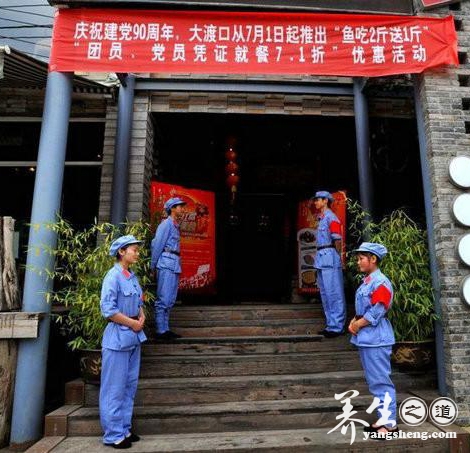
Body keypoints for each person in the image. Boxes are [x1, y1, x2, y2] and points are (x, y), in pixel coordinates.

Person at [99, 235, 147, 449]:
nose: (137, 253)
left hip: (133, 337)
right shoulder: (113, 276)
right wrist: (133, 323)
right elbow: (108, 310)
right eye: (134, 250)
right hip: (118, 338)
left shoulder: (132, 276)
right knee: (114, 389)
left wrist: (142, 317)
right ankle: (113, 435)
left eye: (137, 250)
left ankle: (124, 429)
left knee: (129, 386)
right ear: (121, 252)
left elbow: (139, 301)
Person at [348, 242, 398, 439]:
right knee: (375, 381)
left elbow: (377, 310)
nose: (358, 262)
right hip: (368, 338)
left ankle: (390, 424)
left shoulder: (381, 282)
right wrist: (354, 321)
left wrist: (358, 324)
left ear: (373, 259)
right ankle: (383, 418)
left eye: (361, 258)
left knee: (381, 382)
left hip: (376, 337)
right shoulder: (368, 281)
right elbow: (365, 309)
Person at [151, 196, 186, 341]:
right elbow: (157, 245)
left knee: (170, 299)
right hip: (166, 263)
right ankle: (160, 331)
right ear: (172, 208)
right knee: (163, 298)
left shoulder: (174, 225)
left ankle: (165, 329)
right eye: (180, 206)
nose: (182, 209)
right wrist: (152, 265)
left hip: (173, 263)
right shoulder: (166, 224)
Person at [312, 190, 346, 338]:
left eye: (318, 200)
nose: (315, 202)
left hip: (330, 256)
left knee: (335, 293)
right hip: (321, 257)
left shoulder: (332, 217)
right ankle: (331, 325)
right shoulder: (322, 217)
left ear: (326, 201)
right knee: (325, 294)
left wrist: (339, 257)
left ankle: (337, 326)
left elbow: (337, 240)